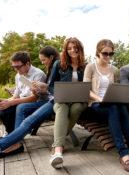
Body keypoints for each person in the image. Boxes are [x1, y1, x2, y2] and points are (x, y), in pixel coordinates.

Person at [0, 46, 59, 163]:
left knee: (7, 111)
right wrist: (2, 100)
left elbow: (34, 98)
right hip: (19, 102)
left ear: (27, 64)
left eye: (18, 66)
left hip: (33, 104)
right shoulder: (18, 76)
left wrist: (11, 103)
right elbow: (15, 96)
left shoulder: (38, 74)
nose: (16, 70)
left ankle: (14, 140)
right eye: (13, 67)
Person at [83, 39, 129, 173]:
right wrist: (100, 98)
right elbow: (86, 90)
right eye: (105, 53)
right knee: (113, 107)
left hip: (113, 106)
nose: (108, 57)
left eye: (111, 54)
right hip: (95, 106)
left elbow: (117, 89)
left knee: (120, 106)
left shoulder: (115, 70)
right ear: (98, 53)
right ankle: (123, 153)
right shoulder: (90, 67)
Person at [49, 37, 87, 169]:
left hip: (78, 100)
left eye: (75, 48)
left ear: (80, 49)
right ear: (66, 50)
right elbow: (50, 85)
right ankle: (58, 150)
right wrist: (58, 94)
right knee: (62, 109)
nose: (72, 50)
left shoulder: (84, 66)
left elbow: (88, 86)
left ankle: (57, 141)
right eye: (69, 48)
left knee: (76, 108)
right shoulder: (59, 64)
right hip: (61, 100)